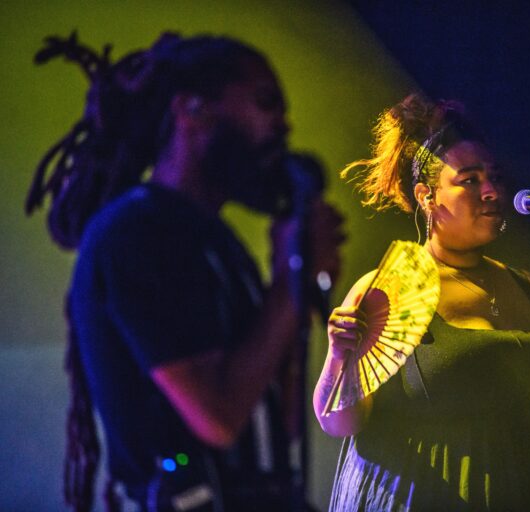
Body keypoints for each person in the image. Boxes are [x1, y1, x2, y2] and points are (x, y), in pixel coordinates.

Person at [25, 32, 343, 511]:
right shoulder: (137, 232)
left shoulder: (219, 243)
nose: (283, 126)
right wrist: (287, 283)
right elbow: (217, 418)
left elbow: (282, 421)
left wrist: (298, 285)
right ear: (191, 109)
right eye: (265, 103)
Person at [313, 93, 530, 511]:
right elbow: (340, 422)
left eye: (495, 178)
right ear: (427, 195)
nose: (491, 191)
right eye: (470, 180)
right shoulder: (388, 288)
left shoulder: (526, 286)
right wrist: (337, 356)